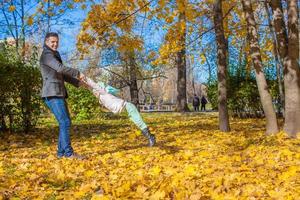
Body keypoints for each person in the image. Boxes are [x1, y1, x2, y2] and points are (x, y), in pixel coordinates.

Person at [40, 32, 86, 159]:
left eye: (56, 42)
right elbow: (60, 68)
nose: (55, 44)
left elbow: (62, 74)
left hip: (59, 93)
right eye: (52, 42)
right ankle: (69, 153)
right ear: (46, 42)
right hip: (52, 93)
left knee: (65, 122)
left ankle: (61, 153)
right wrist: (77, 72)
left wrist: (78, 83)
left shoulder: (55, 55)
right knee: (65, 122)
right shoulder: (46, 55)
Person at [81, 76, 156, 147]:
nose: (94, 92)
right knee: (137, 123)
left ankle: (150, 137)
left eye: (95, 90)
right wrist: (83, 83)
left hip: (127, 107)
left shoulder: (104, 92)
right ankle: (151, 136)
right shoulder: (100, 99)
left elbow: (92, 84)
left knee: (139, 122)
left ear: (100, 88)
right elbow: (89, 87)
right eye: (94, 92)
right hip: (124, 111)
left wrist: (84, 77)